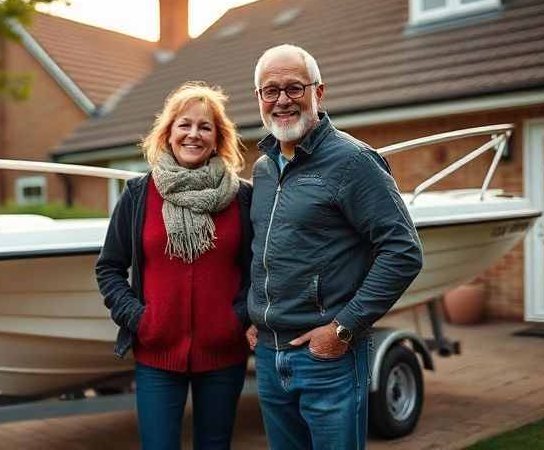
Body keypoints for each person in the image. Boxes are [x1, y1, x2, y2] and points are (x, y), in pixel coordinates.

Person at [245, 44, 423, 449]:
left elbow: (403, 250)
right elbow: (260, 250)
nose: (283, 100)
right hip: (271, 357)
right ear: (258, 99)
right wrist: (252, 313)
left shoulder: (354, 161)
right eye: (270, 91)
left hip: (327, 357)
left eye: (295, 87)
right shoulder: (263, 168)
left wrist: (343, 328)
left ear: (318, 93)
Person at [96, 81, 253, 450]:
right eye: (184, 125)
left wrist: (238, 319)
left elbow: (258, 269)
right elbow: (109, 268)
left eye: (205, 126)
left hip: (223, 354)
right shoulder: (138, 194)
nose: (193, 134)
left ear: (218, 138)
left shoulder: (241, 197)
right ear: (168, 134)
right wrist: (140, 319)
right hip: (156, 355)